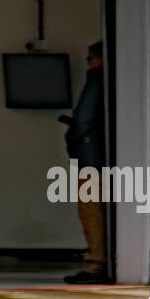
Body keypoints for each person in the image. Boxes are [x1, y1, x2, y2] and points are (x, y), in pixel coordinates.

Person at [63, 41, 108, 284]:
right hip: (110, 159)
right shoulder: (117, 79)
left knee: (90, 210)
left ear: (96, 59)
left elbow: (83, 119)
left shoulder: (95, 79)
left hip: (91, 160)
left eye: (89, 58)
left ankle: (94, 264)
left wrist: (74, 140)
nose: (87, 63)